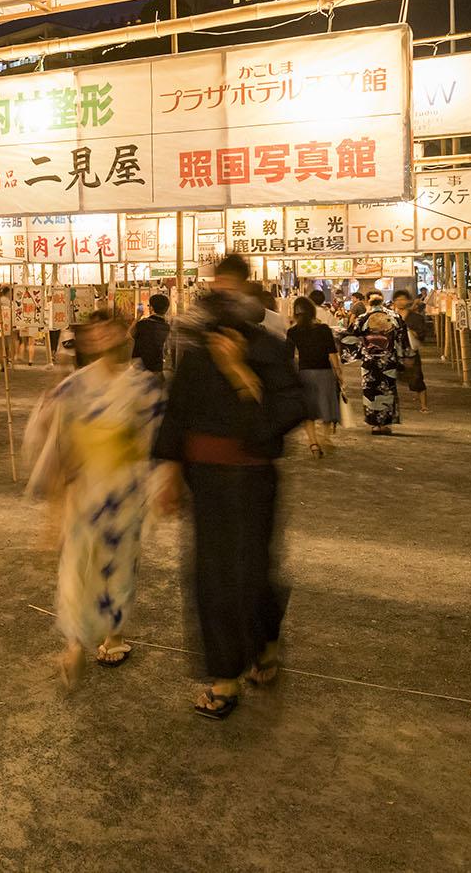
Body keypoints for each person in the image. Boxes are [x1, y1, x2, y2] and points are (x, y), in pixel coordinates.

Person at [154, 252, 305, 719]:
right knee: (210, 576)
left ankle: (265, 642)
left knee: (253, 572)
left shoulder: (270, 348)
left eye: (230, 288)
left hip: (252, 478)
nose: (222, 296)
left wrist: (240, 373)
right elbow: (176, 412)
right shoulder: (195, 349)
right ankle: (225, 676)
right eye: (216, 286)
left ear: (245, 292)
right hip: (207, 482)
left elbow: (289, 411)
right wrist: (169, 471)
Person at [22, 313, 165, 688]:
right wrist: (54, 508)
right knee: (84, 568)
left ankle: (105, 637)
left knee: (105, 568)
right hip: (89, 490)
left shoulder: (140, 387)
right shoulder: (78, 388)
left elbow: (155, 442)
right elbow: (54, 443)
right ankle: (83, 642)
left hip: (121, 491)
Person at [286, 296, 342, 458]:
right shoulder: (323, 329)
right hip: (324, 373)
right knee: (327, 406)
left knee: (308, 410)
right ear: (312, 311)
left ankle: (313, 443)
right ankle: (325, 437)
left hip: (304, 374)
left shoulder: (293, 332)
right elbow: (332, 352)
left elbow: (289, 356)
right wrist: (338, 371)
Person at [345, 303, 404, 435]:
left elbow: (351, 335)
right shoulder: (394, 316)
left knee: (370, 391)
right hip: (388, 359)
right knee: (387, 390)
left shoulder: (362, 318)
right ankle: (385, 423)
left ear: (369, 302)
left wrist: (360, 351)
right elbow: (401, 338)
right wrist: (401, 356)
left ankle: (374, 425)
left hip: (369, 359)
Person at [395, 290, 430, 414]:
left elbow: (422, 334)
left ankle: (424, 405)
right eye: (398, 299)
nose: (400, 302)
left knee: (417, 378)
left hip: (411, 352)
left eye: (403, 299)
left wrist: (409, 330)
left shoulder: (416, 318)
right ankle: (393, 404)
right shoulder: (391, 317)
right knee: (390, 379)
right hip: (395, 352)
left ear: (408, 301)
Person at [131, 292, 171, 375]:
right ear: (166, 309)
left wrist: (138, 316)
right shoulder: (168, 327)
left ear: (151, 308)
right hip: (159, 370)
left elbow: (129, 335)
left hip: (141, 369)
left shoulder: (142, 324)